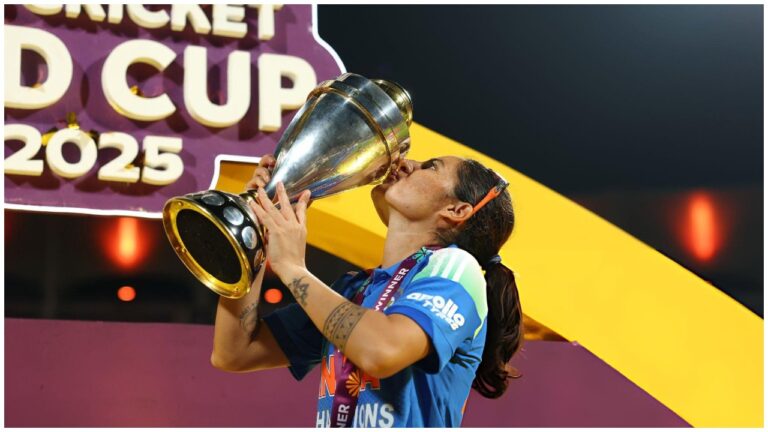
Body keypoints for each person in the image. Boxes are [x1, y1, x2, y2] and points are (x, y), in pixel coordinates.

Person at [211, 154, 523, 428]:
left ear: (457, 210)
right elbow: (235, 352)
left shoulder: (456, 268)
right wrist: (252, 237)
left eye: (430, 166)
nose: (405, 164)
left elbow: (381, 351)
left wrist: (293, 268)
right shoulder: (355, 287)